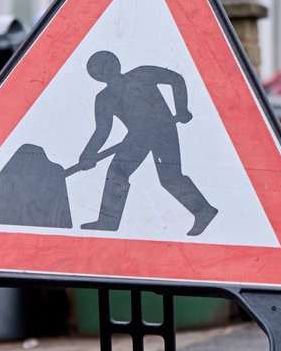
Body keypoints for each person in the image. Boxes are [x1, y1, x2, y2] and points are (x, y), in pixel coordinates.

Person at [78, 51, 217, 236]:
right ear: (95, 76)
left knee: (168, 177)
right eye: (99, 70)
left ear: (116, 64)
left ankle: (204, 210)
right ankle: (108, 221)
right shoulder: (104, 98)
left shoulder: (142, 74)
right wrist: (88, 154)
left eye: (107, 67)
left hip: (163, 128)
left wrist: (181, 108)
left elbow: (176, 79)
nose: (106, 72)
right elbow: (102, 130)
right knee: (117, 173)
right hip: (138, 136)